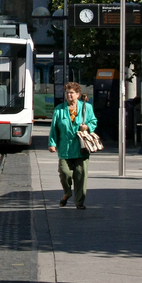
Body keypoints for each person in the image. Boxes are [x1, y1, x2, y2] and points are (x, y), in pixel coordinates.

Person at [49, 81, 97, 209]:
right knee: (64, 173)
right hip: (65, 147)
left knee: (81, 175)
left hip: (81, 147)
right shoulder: (59, 109)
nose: (69, 95)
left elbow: (93, 121)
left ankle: (79, 202)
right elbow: (54, 128)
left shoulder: (87, 108)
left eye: (71, 93)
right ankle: (67, 192)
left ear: (78, 94)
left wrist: (87, 126)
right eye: (67, 93)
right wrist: (52, 143)